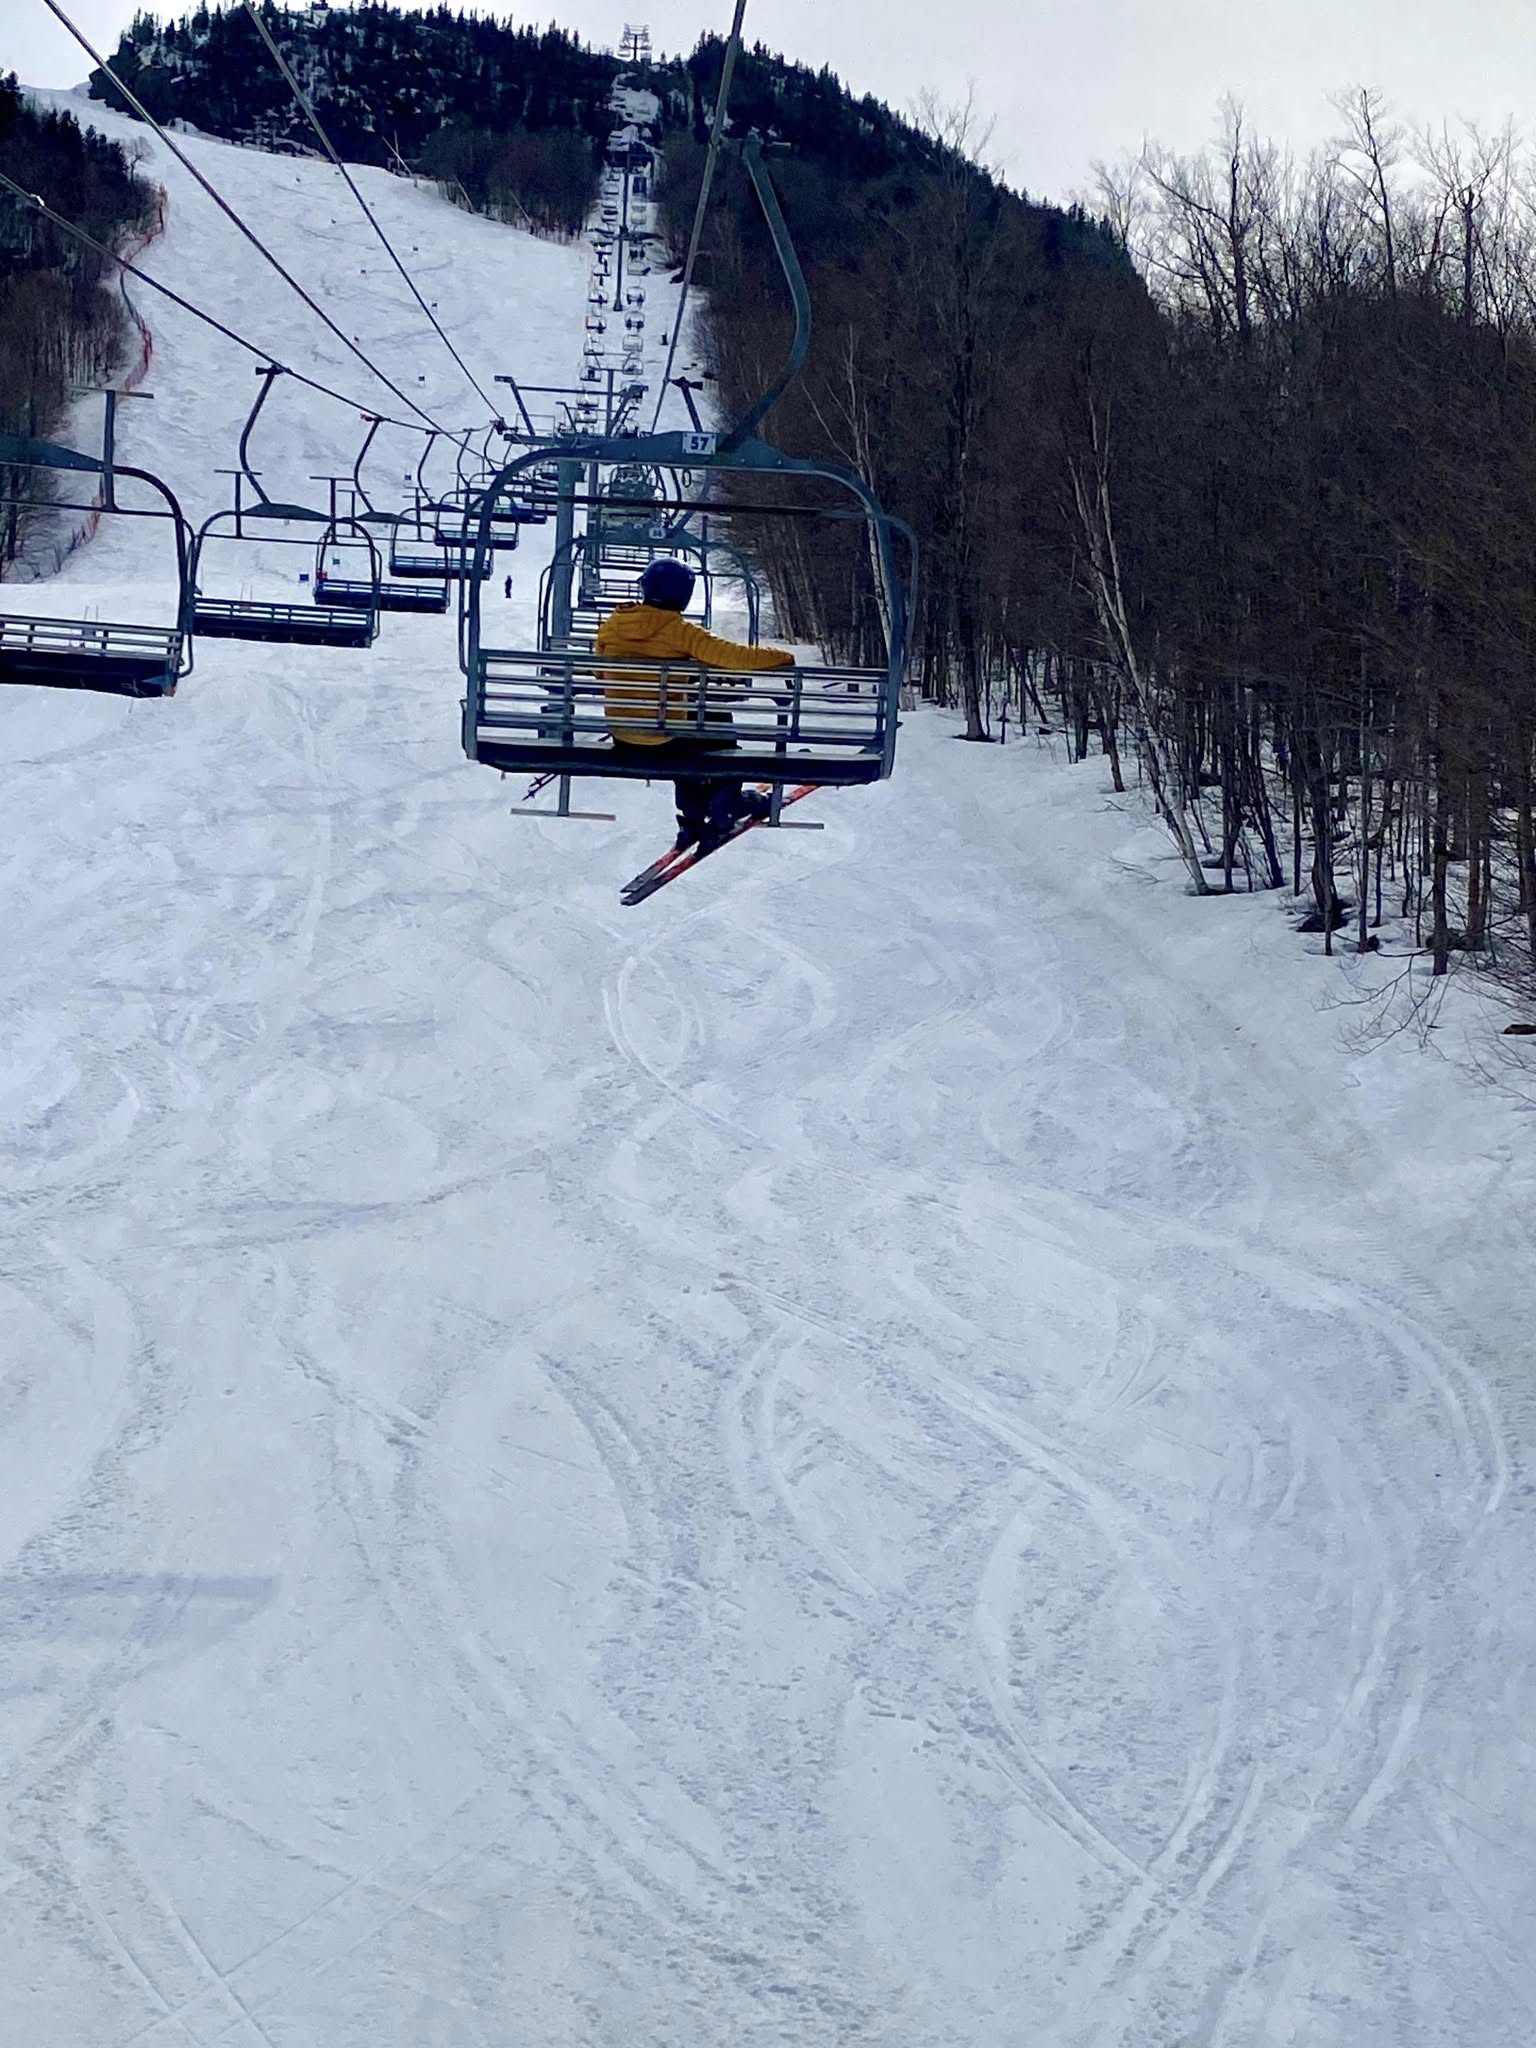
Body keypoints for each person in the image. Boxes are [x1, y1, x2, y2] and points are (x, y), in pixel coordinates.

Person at [596, 558, 795, 850]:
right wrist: (780, 657)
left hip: (624, 736)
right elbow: (733, 657)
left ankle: (693, 816)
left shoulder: (612, 625)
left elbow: (601, 671)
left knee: (689, 724)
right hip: (665, 739)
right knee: (712, 719)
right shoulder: (678, 630)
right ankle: (726, 800)